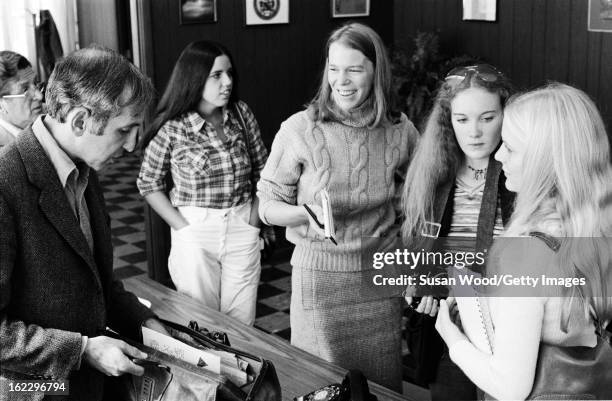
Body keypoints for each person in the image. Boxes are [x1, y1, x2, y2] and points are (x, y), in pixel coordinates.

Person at [257, 23, 419, 391]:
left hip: (380, 280)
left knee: (381, 386)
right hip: (321, 280)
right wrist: (302, 215)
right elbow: (266, 204)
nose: (341, 81)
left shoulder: (400, 129)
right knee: (322, 387)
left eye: (354, 69)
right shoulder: (300, 129)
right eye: (333, 69)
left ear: (376, 71)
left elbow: (421, 197)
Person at [0, 46, 165, 401]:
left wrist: (146, 324)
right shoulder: (5, 182)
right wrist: (82, 350)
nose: (134, 145)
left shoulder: (84, 167)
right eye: (125, 130)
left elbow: (94, 282)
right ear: (79, 121)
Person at [435, 83, 612, 400]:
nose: (499, 155)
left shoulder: (526, 255)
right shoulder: (596, 229)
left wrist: (452, 338)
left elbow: (509, 388)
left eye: (512, 148)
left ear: (547, 162)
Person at [400, 64, 514, 399]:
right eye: (462, 119)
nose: (474, 132)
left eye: (488, 118)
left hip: (509, 329)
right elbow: (418, 247)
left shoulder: (519, 172)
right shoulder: (434, 174)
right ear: (448, 122)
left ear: (507, 115)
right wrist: (418, 281)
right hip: (450, 333)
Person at [138, 40, 269, 326]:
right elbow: (148, 183)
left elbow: (264, 172)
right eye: (217, 75)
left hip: (242, 224)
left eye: (229, 73)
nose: (227, 82)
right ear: (195, 78)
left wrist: (254, 223)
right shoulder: (173, 126)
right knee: (201, 322)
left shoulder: (241, 115)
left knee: (242, 321)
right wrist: (183, 229)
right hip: (196, 228)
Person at [0, 51, 43, 147]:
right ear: (1, 105)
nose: (40, 96)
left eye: (36, 83)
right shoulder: (4, 155)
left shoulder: (49, 114)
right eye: (25, 89)